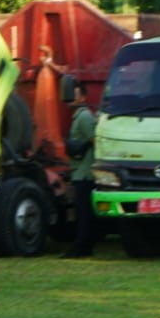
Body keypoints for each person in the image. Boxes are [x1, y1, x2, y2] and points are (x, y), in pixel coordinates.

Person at [61, 76, 98, 260]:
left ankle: (82, 246)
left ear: (82, 97)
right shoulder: (79, 116)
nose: (69, 98)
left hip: (84, 173)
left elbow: (94, 141)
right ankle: (84, 245)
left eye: (73, 94)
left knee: (83, 213)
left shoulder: (83, 116)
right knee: (82, 212)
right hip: (79, 171)